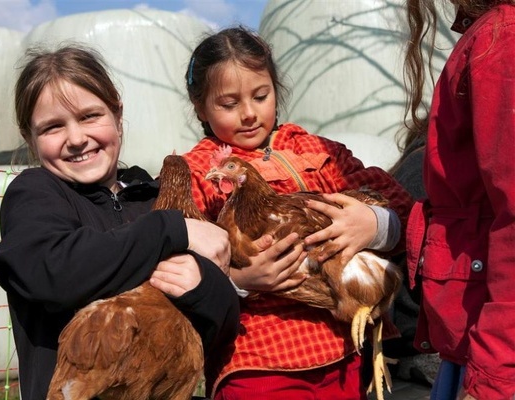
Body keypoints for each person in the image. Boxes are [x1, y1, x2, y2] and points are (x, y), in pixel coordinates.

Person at [0, 45, 241, 399]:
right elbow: (54, 271)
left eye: (90, 116)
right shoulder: (35, 195)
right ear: (29, 137)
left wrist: (203, 288)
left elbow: (226, 319)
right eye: (52, 127)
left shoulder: (153, 198)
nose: (76, 139)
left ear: (117, 115)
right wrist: (171, 231)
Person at [181, 26, 414, 399]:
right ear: (200, 106)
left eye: (261, 95)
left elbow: (407, 211)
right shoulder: (197, 171)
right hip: (256, 358)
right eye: (228, 104)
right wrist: (239, 279)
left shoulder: (318, 152)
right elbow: (178, 261)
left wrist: (374, 225)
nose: (248, 114)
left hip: (342, 351)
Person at [404, 1, 515, 399]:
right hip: (477, 339)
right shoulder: (490, 34)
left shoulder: (500, 38)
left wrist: (493, 380)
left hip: (491, 351)